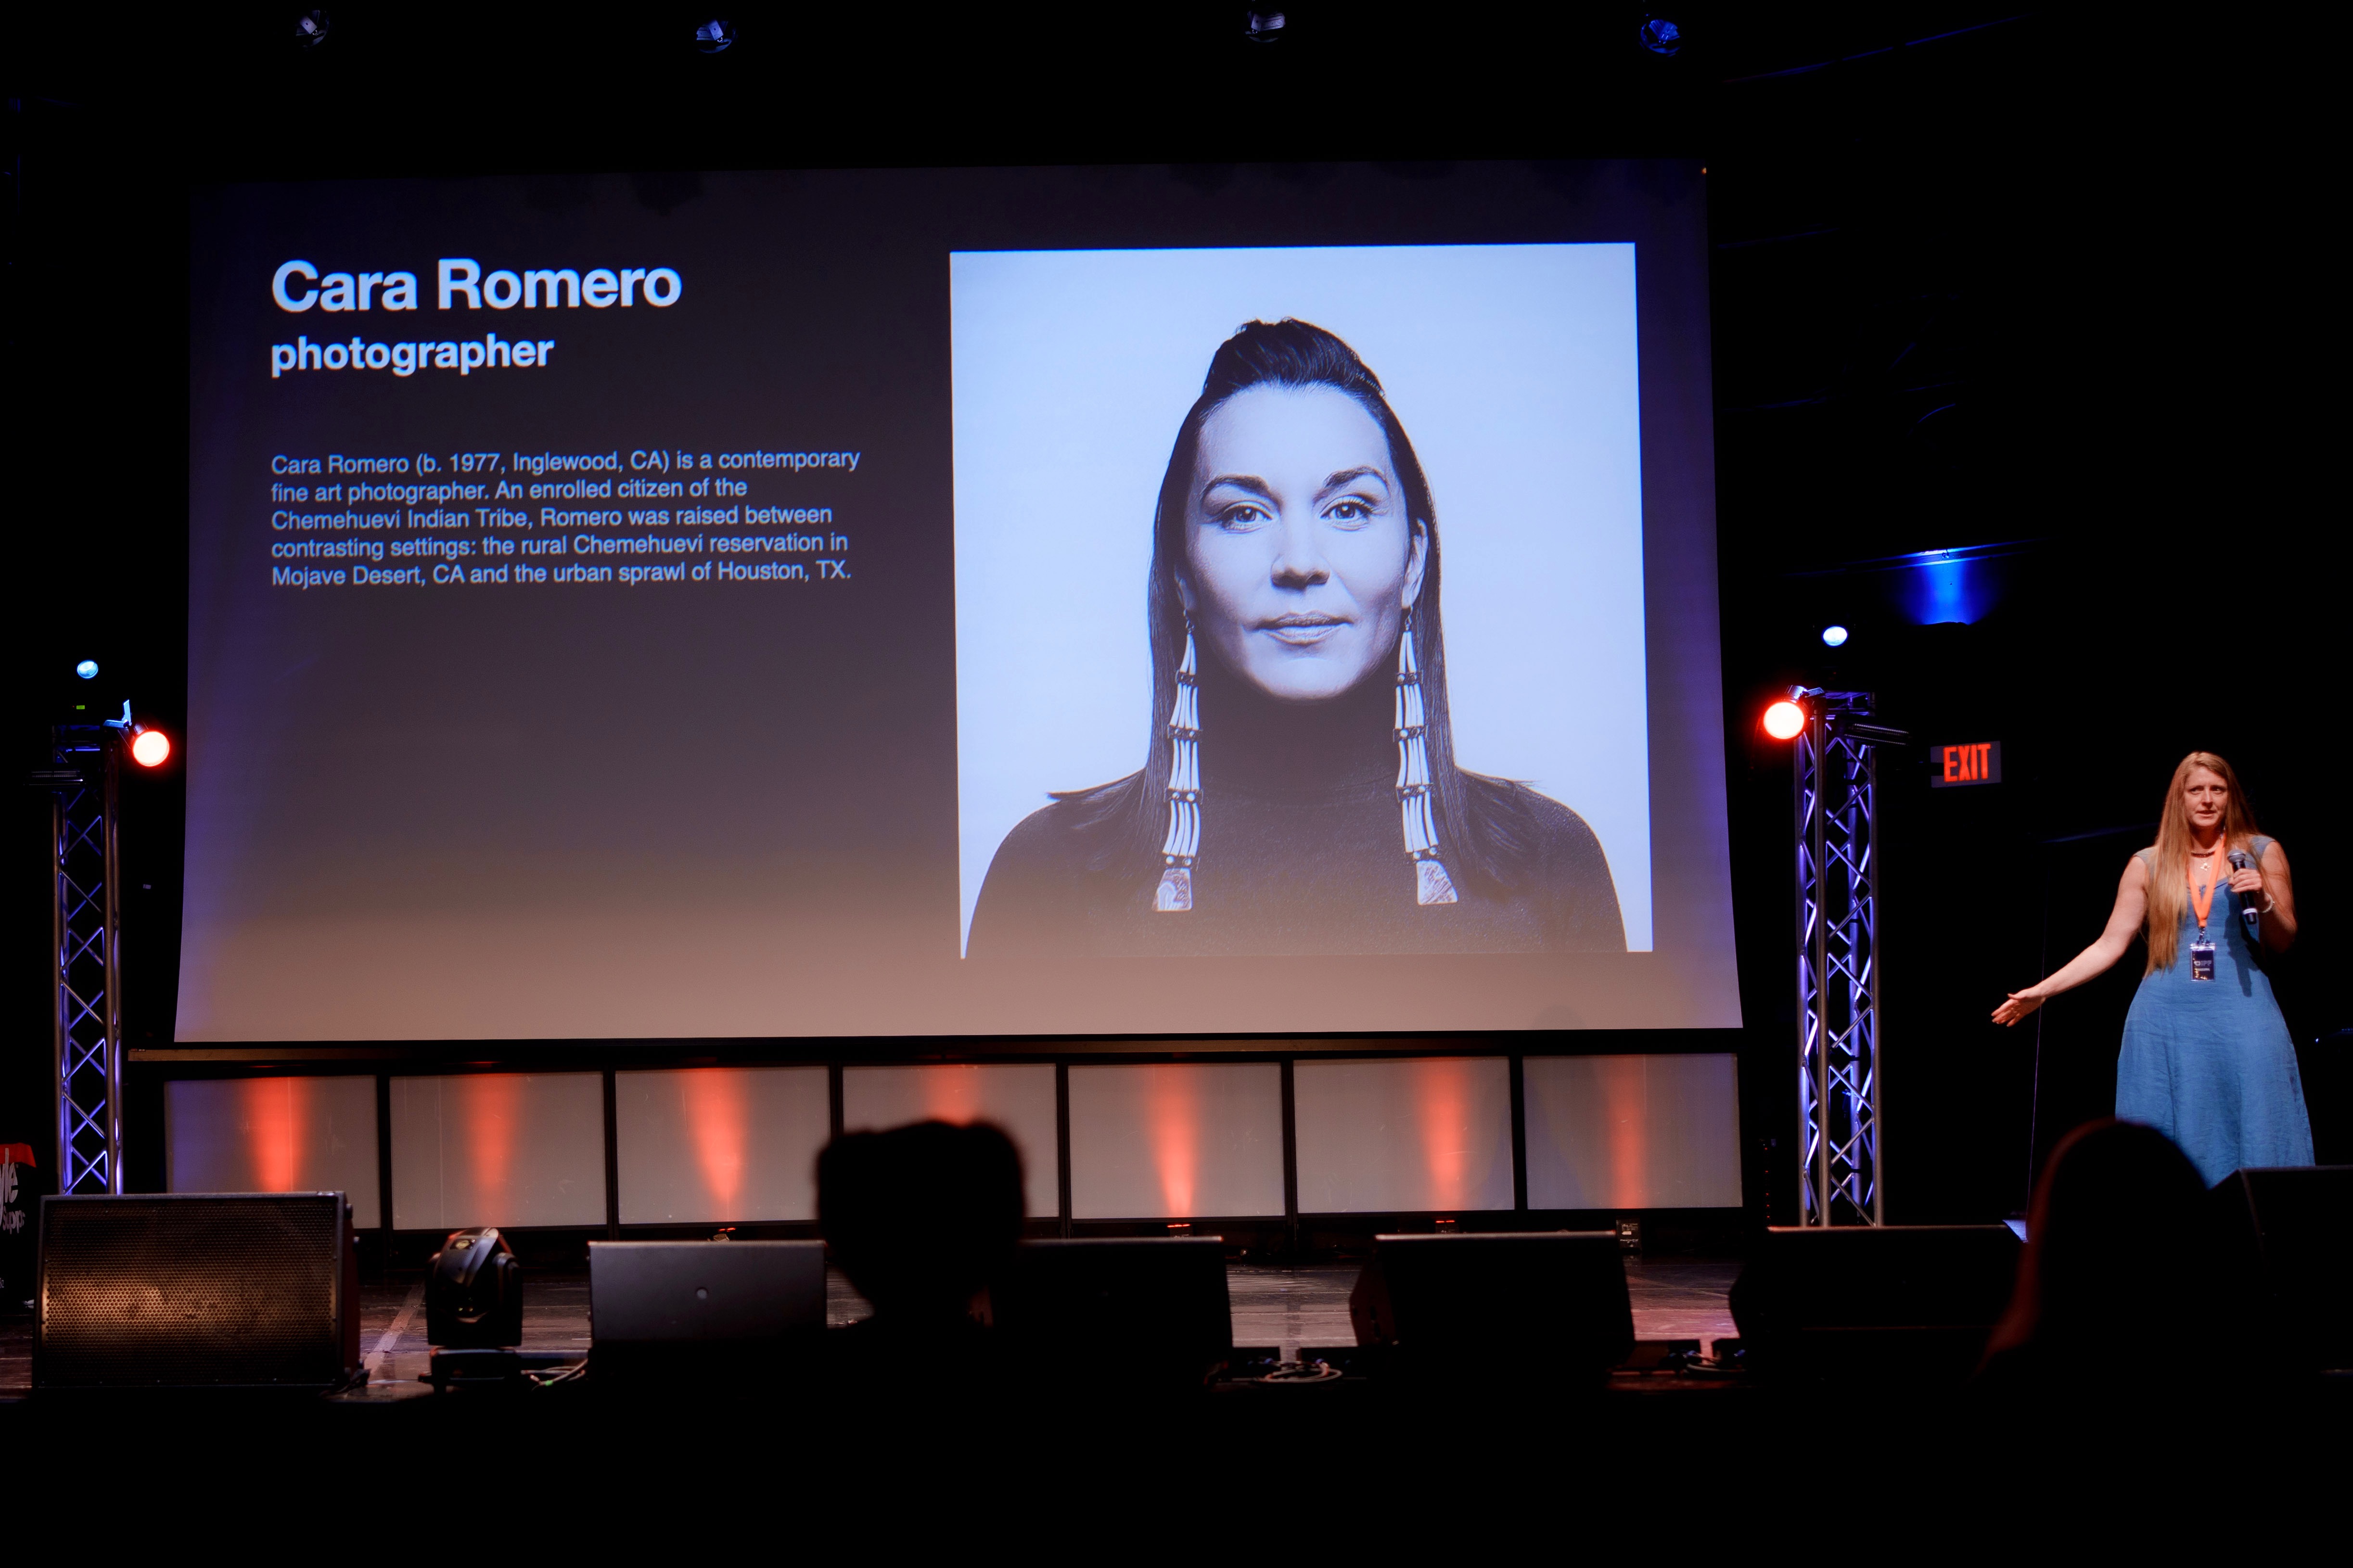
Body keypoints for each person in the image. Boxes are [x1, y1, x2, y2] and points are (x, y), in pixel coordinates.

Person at [968, 317, 1625, 958]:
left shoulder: (1551, 862)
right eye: (1243, 514)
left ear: (1413, 560)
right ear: (1181, 572)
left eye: (1348, 509)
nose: (1300, 562)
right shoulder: (1044, 875)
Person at [1993, 752, 2312, 1183]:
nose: (2207, 799)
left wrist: (2264, 897)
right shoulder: (2148, 863)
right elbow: (2109, 944)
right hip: (2164, 1022)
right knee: (2166, 1140)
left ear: (2230, 797)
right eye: (2196, 790)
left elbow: (2284, 938)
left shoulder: (2259, 852)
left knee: (2260, 1120)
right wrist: (2043, 991)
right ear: (2179, 798)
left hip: (2243, 1013)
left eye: (2217, 790)